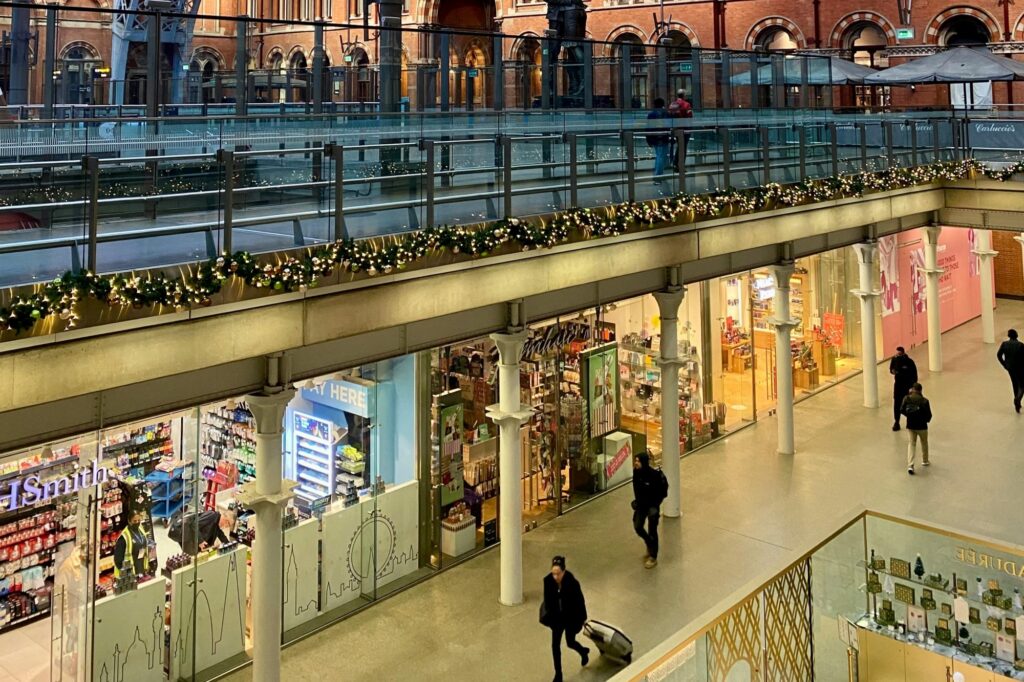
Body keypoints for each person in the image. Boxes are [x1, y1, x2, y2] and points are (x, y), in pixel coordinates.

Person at [540, 556, 589, 682]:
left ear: (564, 571)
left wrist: (583, 618)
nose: (555, 577)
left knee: (570, 642)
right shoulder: (548, 581)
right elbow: (548, 601)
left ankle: (583, 652)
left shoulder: (572, 583)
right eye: (553, 573)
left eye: (558, 574)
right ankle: (558, 674)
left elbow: (580, 601)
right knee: (555, 646)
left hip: (570, 618)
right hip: (556, 620)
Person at [632, 450, 668, 569]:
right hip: (642, 505)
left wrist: (655, 505)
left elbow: (661, 493)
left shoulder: (654, 475)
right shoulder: (636, 473)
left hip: (652, 506)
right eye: (635, 460)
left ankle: (653, 556)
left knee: (652, 530)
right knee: (638, 526)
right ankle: (649, 543)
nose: (635, 463)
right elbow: (637, 489)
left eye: (638, 461)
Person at [900, 383, 932, 475]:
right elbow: (929, 416)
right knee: (924, 442)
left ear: (913, 389)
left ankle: (910, 465)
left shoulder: (907, 398)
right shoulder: (925, 401)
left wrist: (909, 416)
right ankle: (925, 460)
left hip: (911, 425)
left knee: (912, 444)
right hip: (922, 426)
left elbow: (902, 409)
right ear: (920, 390)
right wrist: (925, 420)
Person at [113, 511, 149, 578]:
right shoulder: (124, 537)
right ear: (129, 521)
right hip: (129, 575)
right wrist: (126, 575)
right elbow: (118, 560)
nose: (137, 523)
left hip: (141, 570)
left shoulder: (141, 529)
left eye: (138, 520)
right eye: (134, 521)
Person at [889, 346, 918, 431]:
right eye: (896, 354)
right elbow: (891, 369)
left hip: (907, 386)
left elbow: (914, 375)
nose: (897, 355)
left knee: (908, 405)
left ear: (903, 353)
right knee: (896, 405)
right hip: (898, 386)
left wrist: (913, 387)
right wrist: (892, 371)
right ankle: (896, 422)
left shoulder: (909, 362)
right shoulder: (894, 359)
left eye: (899, 354)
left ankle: (910, 422)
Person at [996, 328, 1024, 413]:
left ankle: (1017, 404)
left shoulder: (1004, 344)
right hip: (1020, 368)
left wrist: (1005, 365)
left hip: (1010, 368)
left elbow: (998, 355)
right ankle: (1017, 399)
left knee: (1014, 384)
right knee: (1022, 385)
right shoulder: (1020, 345)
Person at [646, 97, 671, 181]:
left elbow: (648, 128)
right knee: (661, 156)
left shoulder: (651, 114)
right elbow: (668, 126)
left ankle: (658, 174)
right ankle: (658, 176)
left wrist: (648, 139)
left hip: (654, 137)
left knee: (658, 155)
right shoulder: (665, 113)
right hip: (663, 137)